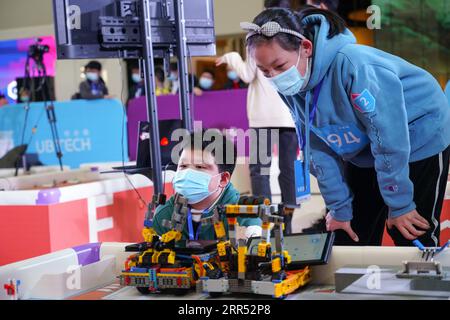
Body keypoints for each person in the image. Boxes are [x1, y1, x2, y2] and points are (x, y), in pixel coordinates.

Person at [242, 7, 450, 246]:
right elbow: (317, 149)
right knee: (350, 231)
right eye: (264, 70)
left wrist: (400, 204)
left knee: (408, 229)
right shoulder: (290, 85)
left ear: (305, 48)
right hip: (365, 143)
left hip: (420, 131)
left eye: (279, 66)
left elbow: (387, 138)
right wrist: (339, 210)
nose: (274, 77)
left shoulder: (354, 65)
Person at [215, 0, 299, 235]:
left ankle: (264, 222)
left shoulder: (257, 38)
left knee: (260, 170)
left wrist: (231, 56)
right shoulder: (292, 38)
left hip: (263, 116)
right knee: (289, 169)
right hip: (288, 116)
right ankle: (287, 226)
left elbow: (246, 74)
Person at [152, 130, 262, 241]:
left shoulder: (244, 215)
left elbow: (257, 251)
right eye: (183, 166)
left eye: (200, 167)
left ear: (223, 179)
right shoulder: (164, 215)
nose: (187, 174)